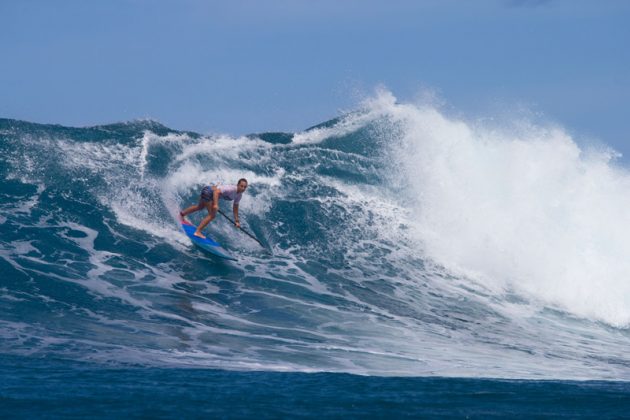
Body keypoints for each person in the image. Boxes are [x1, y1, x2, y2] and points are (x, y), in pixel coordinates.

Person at [180, 178, 248, 239]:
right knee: (212, 215)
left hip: (208, 193)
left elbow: (235, 207)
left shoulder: (239, 195)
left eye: (245, 187)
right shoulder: (231, 189)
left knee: (200, 207)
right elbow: (216, 192)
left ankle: (182, 214)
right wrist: (215, 204)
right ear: (237, 185)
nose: (243, 188)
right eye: (241, 186)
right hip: (208, 192)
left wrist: (236, 221)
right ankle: (197, 232)